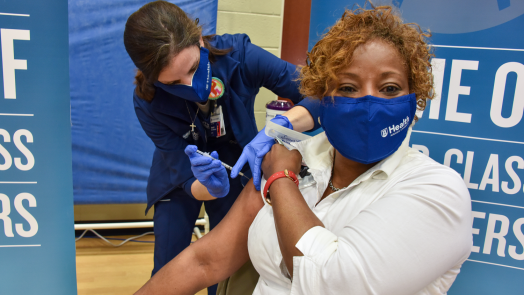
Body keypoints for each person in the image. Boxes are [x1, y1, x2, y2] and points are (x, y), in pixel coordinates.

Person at [134, 4, 473, 295]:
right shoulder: (303, 156)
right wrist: (206, 185)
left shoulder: (436, 190)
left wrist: (280, 165)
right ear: (326, 92)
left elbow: (328, 284)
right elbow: (205, 260)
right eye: (348, 87)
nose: (367, 103)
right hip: (185, 179)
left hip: (247, 163)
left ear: (417, 96)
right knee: (168, 253)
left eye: (389, 87)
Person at [123, 1, 319, 294]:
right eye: (174, 81)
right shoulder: (147, 101)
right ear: (152, 77)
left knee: (226, 265)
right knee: (169, 267)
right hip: (179, 176)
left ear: (200, 40)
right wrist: (207, 187)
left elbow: (318, 93)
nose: (190, 86)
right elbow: (180, 168)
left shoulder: (239, 56)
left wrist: (283, 125)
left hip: (238, 164)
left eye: (192, 68)